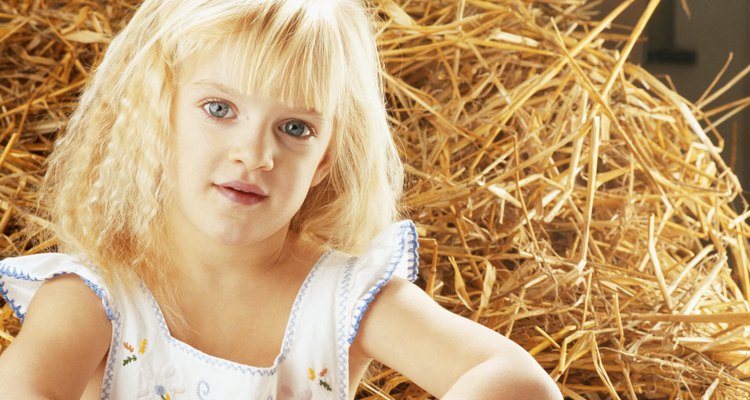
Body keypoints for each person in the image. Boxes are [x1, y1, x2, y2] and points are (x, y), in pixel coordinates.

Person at [0, 0, 562, 399]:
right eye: (219, 110)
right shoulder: (98, 296)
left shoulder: (342, 298)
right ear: (158, 117)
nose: (255, 155)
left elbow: (515, 378)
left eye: (294, 127)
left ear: (324, 160)